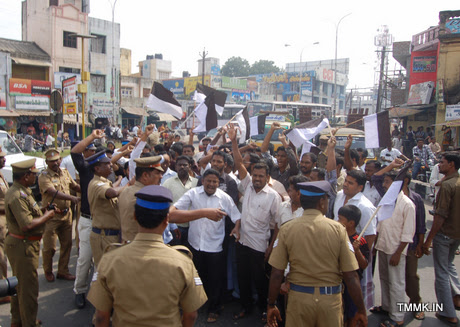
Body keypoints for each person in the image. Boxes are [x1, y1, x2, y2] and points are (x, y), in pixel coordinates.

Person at [87, 185, 208, 326]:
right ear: (167, 220)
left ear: (135, 217)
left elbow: (101, 316)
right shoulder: (183, 262)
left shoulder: (109, 259)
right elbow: (191, 314)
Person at [266, 181, 367, 327]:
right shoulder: (338, 229)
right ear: (321, 202)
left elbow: (276, 273)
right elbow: (351, 275)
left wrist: (271, 304)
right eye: (326, 199)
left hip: (298, 301)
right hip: (330, 302)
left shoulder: (287, 229)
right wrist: (361, 310)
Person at [171, 169, 241, 323]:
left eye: (214, 181)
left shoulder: (225, 198)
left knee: (215, 279)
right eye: (208, 181)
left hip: (215, 246)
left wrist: (236, 227)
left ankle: (214, 308)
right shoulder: (193, 193)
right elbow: (176, 208)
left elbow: (237, 216)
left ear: (218, 183)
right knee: (195, 278)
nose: (211, 184)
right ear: (202, 181)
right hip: (194, 244)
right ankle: (195, 305)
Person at [229, 124, 282, 321]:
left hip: (260, 245)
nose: (257, 179)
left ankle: (263, 309)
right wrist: (234, 141)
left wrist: (271, 247)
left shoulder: (274, 196)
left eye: (261, 176)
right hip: (242, 241)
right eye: (255, 175)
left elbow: (277, 224)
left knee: (260, 280)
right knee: (243, 277)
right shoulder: (248, 186)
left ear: (267, 178)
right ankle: (245, 307)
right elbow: (238, 162)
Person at [5, 158, 56, 327]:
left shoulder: (23, 190)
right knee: (28, 290)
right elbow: (26, 224)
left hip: (26, 245)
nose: (35, 177)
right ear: (26, 176)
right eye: (33, 174)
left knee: (19, 286)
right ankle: (28, 323)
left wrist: (43, 211)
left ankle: (19, 320)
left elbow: (30, 213)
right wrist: (47, 216)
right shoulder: (17, 195)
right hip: (23, 246)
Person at [372, 168, 416, 327]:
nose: (384, 185)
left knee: (396, 283)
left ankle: (397, 317)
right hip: (383, 246)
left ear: (398, 184)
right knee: (384, 278)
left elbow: (407, 233)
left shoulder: (408, 205)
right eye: (384, 182)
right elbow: (380, 224)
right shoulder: (387, 201)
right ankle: (387, 307)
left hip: (395, 250)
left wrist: (398, 253)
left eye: (387, 182)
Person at [422, 152, 460, 325]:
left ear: (451, 165)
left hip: (444, 234)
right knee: (448, 265)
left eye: (442, 162)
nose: (439, 165)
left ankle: (448, 312)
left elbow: (440, 216)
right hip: (456, 235)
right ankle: (456, 296)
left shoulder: (447, 186)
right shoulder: (454, 182)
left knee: (442, 273)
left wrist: (429, 239)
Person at [38, 149, 80, 282]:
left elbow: (75, 187)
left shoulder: (65, 172)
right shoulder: (44, 176)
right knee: (50, 247)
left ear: (60, 159)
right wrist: (72, 198)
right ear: (46, 162)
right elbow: (52, 192)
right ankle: (48, 270)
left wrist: (89, 188)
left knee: (66, 244)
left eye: (56, 160)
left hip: (66, 215)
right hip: (52, 216)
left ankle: (63, 271)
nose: (55, 163)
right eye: (51, 161)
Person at [71, 132, 99, 309]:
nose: (109, 166)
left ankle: (97, 293)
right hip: (88, 221)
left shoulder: (106, 174)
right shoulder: (85, 169)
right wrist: (92, 136)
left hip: (103, 224)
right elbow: (75, 152)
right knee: (85, 259)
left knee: (100, 262)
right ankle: (80, 291)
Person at [87, 150, 127, 268]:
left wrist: (120, 181)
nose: (111, 166)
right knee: (104, 271)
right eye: (107, 164)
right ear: (97, 169)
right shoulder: (96, 184)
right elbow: (112, 192)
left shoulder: (105, 182)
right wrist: (129, 186)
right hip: (104, 236)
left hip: (111, 235)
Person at [118, 155, 164, 243]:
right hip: (141, 247)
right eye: (157, 173)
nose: (161, 177)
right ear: (145, 175)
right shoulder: (146, 197)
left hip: (126, 244)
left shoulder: (126, 191)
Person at [337, 205, 370, 326]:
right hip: (338, 281)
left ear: (351, 223)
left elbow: (364, 264)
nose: (337, 221)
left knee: (352, 313)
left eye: (340, 219)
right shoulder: (338, 236)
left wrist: (357, 251)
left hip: (352, 284)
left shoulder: (360, 241)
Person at [163, 155, 198, 246]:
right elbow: (165, 204)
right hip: (175, 226)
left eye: (185, 165)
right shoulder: (168, 183)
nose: (182, 167)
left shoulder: (196, 183)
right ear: (175, 166)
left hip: (193, 226)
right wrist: (172, 225)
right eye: (179, 165)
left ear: (189, 166)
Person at [0, 149, 9, 304]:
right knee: (0, 258)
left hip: (5, 219)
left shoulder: (1, 175)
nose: (4, 159)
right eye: (1, 158)